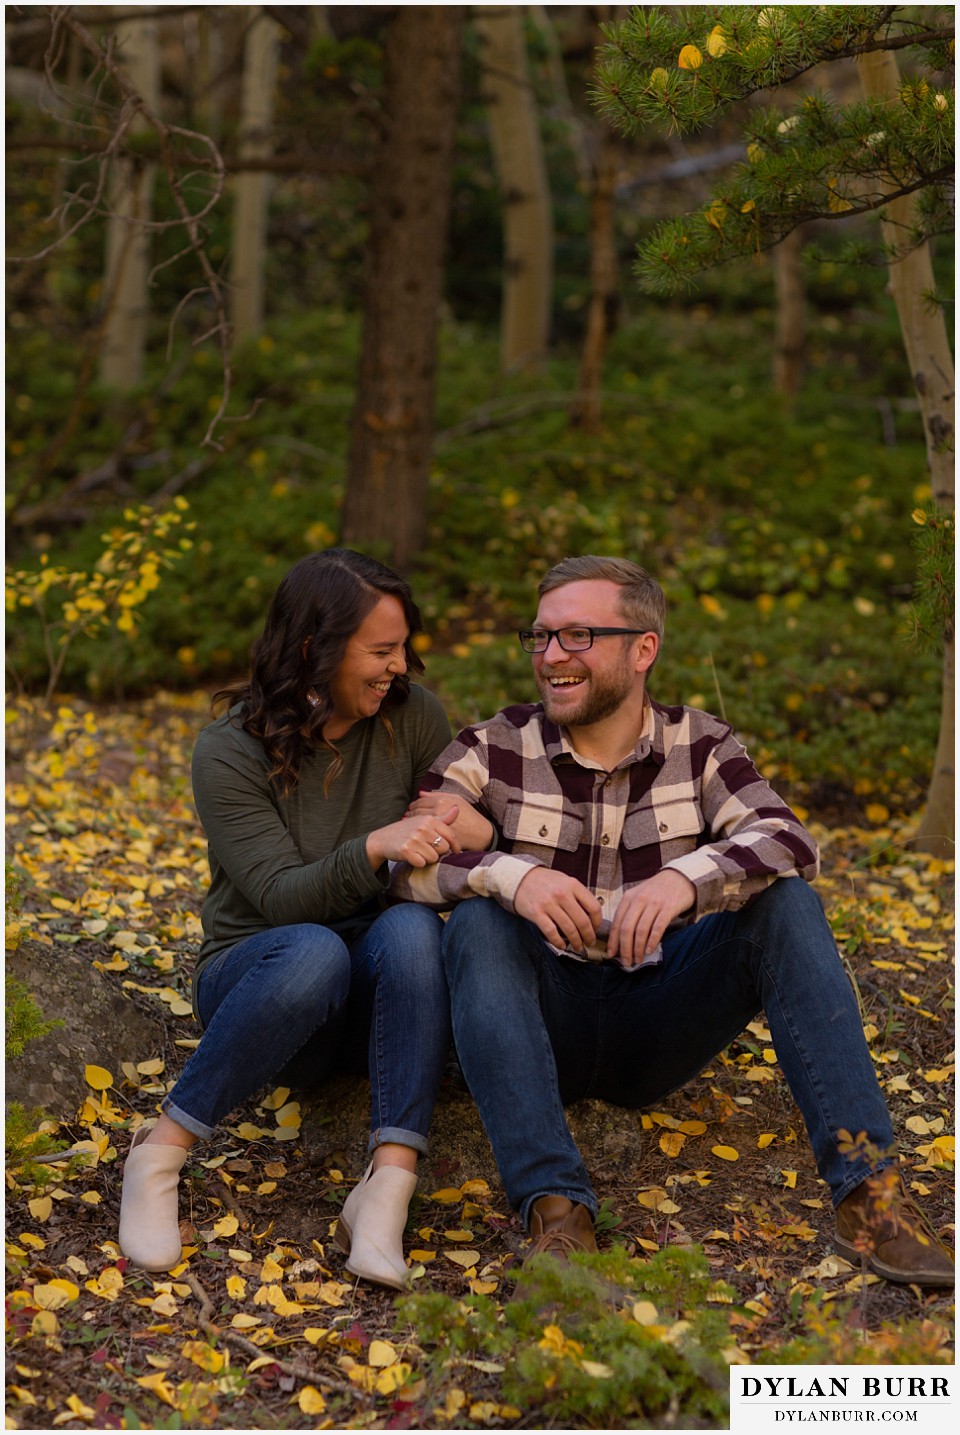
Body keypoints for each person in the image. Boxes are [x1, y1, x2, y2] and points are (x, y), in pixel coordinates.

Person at [393, 555, 954, 1289]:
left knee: (787, 904)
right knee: (477, 924)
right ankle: (557, 1215)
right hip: (534, 1016)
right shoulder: (493, 746)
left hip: (658, 1014)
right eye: (541, 636)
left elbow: (790, 841)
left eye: (578, 635)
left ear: (643, 647)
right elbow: (405, 864)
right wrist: (512, 873)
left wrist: (682, 881)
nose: (552, 656)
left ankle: (870, 1202)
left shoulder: (701, 744)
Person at [118, 548, 491, 1290]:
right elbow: (281, 895)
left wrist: (471, 823)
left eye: (404, 647)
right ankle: (158, 1153)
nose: (399, 666)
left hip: (379, 998)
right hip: (263, 983)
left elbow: (467, 823)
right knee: (315, 948)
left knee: (416, 930)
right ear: (312, 649)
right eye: (381, 651)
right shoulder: (228, 750)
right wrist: (378, 843)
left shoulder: (414, 718)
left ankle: (384, 1194)